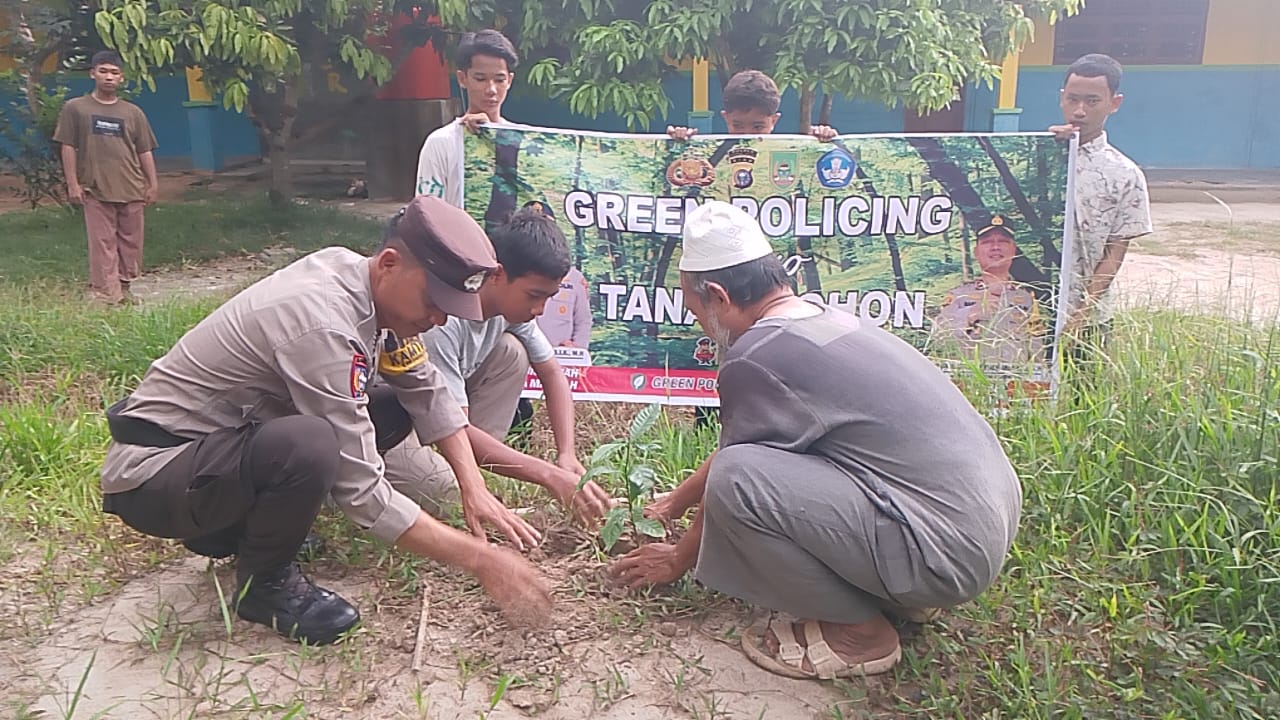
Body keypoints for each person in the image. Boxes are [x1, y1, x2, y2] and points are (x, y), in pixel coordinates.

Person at [99, 195, 552, 646]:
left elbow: (426, 388)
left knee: (390, 407)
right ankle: (265, 586)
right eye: (433, 302)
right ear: (390, 263)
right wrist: (483, 560)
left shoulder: (366, 284)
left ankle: (237, 531)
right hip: (154, 474)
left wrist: (474, 488)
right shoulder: (323, 322)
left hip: (213, 458)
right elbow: (362, 491)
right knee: (311, 443)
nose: (437, 320)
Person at [608, 201, 1022, 680]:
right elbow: (747, 440)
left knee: (738, 481)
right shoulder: (820, 316)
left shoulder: (754, 353)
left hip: (943, 551)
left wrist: (677, 559)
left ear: (718, 296)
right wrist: (670, 507)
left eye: (697, 311)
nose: (703, 325)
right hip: (979, 523)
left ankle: (861, 635)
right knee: (747, 469)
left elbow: (735, 468)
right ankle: (902, 594)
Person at [382, 206, 612, 527]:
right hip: (397, 420)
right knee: (445, 493)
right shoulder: (442, 319)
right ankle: (454, 471)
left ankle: (477, 465)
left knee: (512, 351)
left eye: (549, 297)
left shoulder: (512, 309)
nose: (540, 309)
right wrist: (548, 475)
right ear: (498, 275)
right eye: (534, 295)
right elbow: (451, 425)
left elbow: (552, 374)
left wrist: (566, 455)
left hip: (446, 417)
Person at [1048, 53, 1153, 354]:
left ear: (1114, 103)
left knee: (1083, 395)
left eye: (1092, 101)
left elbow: (1114, 254)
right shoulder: (1037, 157)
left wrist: (1080, 315)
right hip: (1029, 312)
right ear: (1061, 98)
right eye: (1072, 99)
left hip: (1089, 317)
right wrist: (1042, 146)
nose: (1079, 111)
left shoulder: (1125, 174)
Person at [53, 50, 158, 306]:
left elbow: (144, 150)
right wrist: (72, 183)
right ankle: (107, 294)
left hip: (131, 186)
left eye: (114, 73)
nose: (108, 77)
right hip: (95, 188)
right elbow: (67, 145)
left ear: (121, 77)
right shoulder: (76, 108)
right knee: (102, 242)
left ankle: (125, 287)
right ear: (92, 74)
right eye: (103, 71)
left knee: (131, 241)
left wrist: (153, 183)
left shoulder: (133, 112)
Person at [415, 29, 523, 203]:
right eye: (480, 79)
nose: (491, 89)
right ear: (462, 78)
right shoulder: (441, 143)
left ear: (509, 81)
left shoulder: (522, 141)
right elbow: (427, 213)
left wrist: (492, 135)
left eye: (499, 80)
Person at [931, 216, 1048, 367]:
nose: (995, 247)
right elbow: (938, 341)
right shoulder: (958, 296)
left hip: (1014, 382)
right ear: (977, 252)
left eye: (1003, 242)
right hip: (970, 380)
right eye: (987, 242)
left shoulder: (1027, 298)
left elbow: (1038, 354)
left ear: (1013, 250)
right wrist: (969, 317)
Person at [666, 69, 838, 141]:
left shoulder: (793, 153)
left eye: (758, 126)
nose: (747, 134)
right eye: (738, 125)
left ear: (774, 121)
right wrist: (675, 144)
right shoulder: (705, 153)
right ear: (726, 118)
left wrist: (826, 142)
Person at [537, 266, 592, 350]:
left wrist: (577, 348)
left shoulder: (575, 277)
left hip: (560, 355)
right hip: (523, 352)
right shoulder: (522, 271)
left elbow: (583, 320)